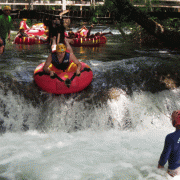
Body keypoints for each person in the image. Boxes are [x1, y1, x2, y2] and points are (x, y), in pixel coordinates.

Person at [158, 110, 180, 177]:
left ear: (174, 122)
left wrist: (160, 166)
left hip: (175, 171)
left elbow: (165, 156)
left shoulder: (170, 137)